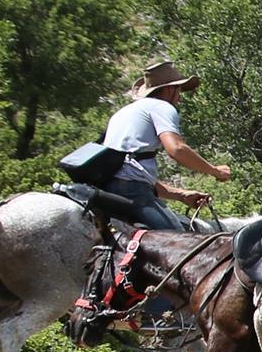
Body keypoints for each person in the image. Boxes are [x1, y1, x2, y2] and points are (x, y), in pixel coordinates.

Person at [97, 58, 230, 230]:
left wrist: (181, 195)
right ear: (169, 89)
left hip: (108, 190)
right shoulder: (161, 107)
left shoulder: (122, 113)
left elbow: (129, 170)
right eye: (179, 90)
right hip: (131, 191)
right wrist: (216, 171)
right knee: (181, 243)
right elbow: (176, 149)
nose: (180, 98)